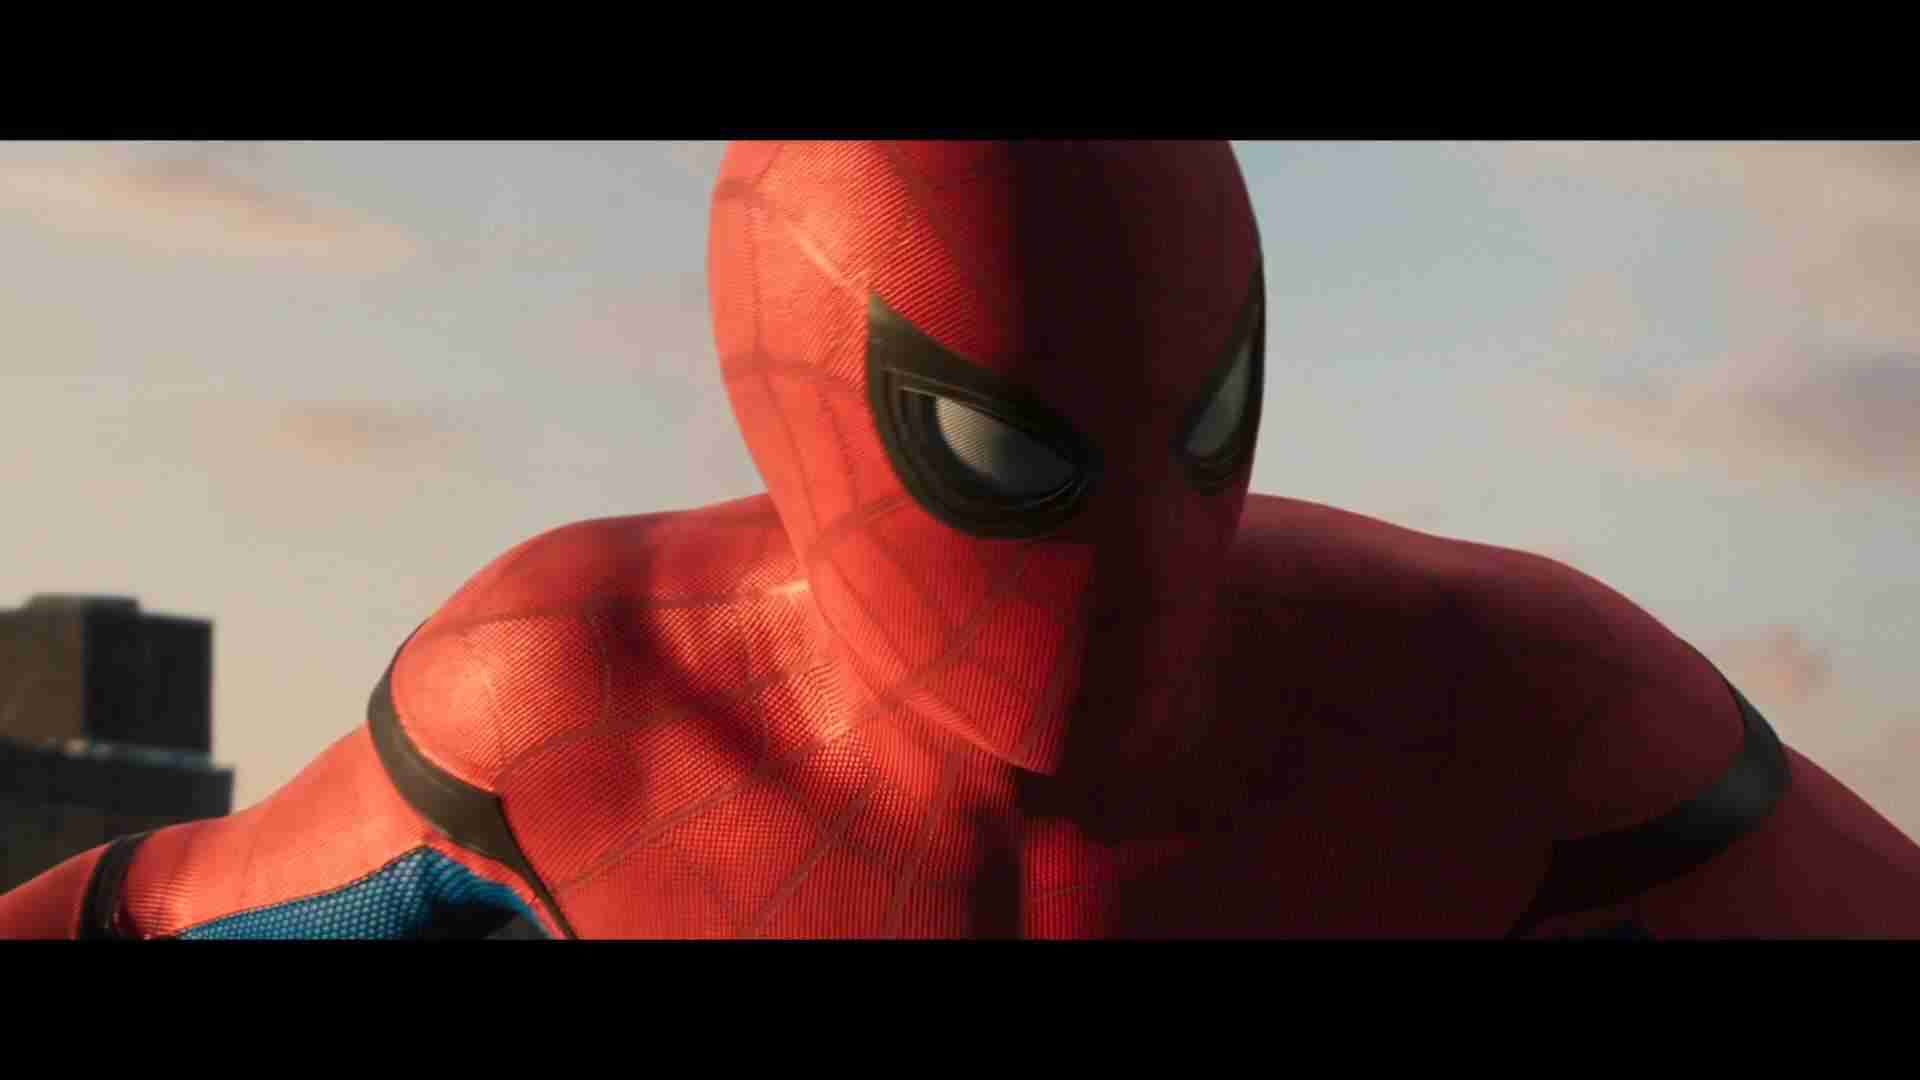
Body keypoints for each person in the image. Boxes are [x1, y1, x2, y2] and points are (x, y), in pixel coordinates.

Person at [5, 140, 1917, 939]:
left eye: (1197, 433)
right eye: (1007, 451)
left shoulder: (1516, 700)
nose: (1125, 583)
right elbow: (153, 907)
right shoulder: (573, 699)